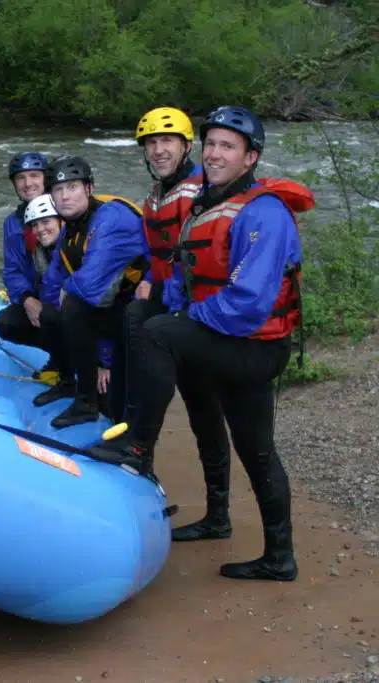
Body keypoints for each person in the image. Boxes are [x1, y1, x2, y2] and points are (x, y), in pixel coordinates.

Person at [98, 106, 314, 581]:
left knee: (254, 446)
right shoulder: (206, 205)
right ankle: (225, 522)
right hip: (218, 337)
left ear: (250, 157)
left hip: (252, 347)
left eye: (228, 147)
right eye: (211, 144)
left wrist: (186, 321)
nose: (215, 154)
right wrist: (180, 310)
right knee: (206, 418)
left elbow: (249, 302)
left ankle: (137, 446)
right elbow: (184, 274)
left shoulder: (264, 213)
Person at [126, 107, 232, 542]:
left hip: (201, 316)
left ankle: (218, 514)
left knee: (205, 412)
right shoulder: (155, 196)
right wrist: (151, 281)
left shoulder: (201, 191)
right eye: (152, 142)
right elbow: (161, 256)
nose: (158, 148)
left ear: (187, 146)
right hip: (175, 312)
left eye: (167, 140)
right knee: (194, 406)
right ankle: (141, 459)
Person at [35, 155, 147, 429]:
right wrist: (48, 309)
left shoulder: (111, 218)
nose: (65, 197)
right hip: (108, 310)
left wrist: (103, 361)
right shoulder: (70, 228)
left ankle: (90, 403)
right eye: (58, 191)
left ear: (88, 188)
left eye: (72, 188)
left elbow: (91, 288)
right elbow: (53, 281)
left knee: (72, 304)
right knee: (51, 311)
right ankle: (68, 382)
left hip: (138, 312)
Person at [0, 193, 71, 385]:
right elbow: (14, 272)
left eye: (46, 222)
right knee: (10, 322)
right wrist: (28, 298)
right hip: (63, 312)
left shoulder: (75, 247)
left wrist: (104, 362)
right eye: (35, 225)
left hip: (94, 322)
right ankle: (63, 363)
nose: (40, 230)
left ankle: (85, 364)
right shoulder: (41, 251)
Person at [0, 152, 59, 382]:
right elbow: (13, 270)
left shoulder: (65, 210)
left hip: (68, 297)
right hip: (40, 296)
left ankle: (82, 361)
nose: (28, 183)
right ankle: (59, 356)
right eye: (21, 178)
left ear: (46, 179)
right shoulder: (12, 223)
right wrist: (27, 299)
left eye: (34, 175)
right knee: (6, 322)